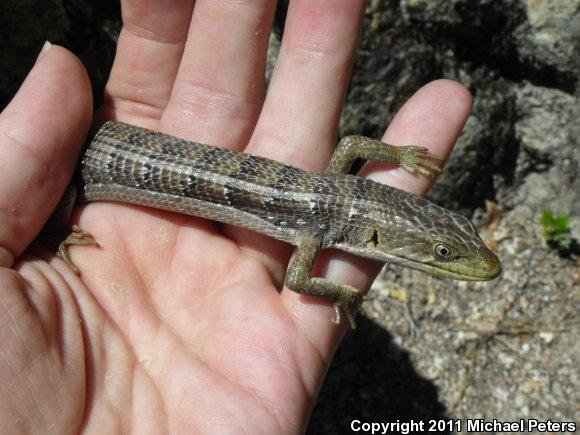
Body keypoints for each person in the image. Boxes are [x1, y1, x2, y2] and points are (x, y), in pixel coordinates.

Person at [0, 1, 472, 432]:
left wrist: (398, 154)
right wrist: (342, 291)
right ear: (378, 229)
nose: (448, 260)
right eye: (443, 253)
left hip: (123, 145)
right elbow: (302, 277)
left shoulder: (333, 202)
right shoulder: (321, 224)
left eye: (444, 250)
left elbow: (349, 151)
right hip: (95, 169)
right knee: (60, 195)